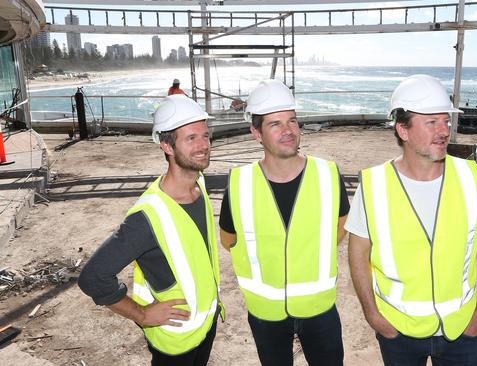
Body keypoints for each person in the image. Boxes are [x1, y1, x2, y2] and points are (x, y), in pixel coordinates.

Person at [346, 74, 477, 366]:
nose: (443, 130)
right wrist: (373, 315)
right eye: (431, 122)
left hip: (462, 329)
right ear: (403, 130)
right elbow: (358, 252)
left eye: (446, 120)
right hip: (398, 330)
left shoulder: (474, 178)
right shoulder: (373, 184)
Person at [78, 94, 224, 366]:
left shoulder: (198, 186)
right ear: (166, 146)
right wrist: (142, 314)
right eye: (191, 138)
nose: (203, 145)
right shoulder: (147, 216)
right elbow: (93, 278)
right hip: (175, 342)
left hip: (205, 325)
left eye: (205, 135)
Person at [219, 79, 349, 366]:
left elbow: (340, 228)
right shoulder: (239, 184)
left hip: (320, 310)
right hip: (266, 313)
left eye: (292, 120)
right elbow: (228, 240)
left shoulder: (328, 174)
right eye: (275, 124)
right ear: (256, 132)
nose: (288, 130)